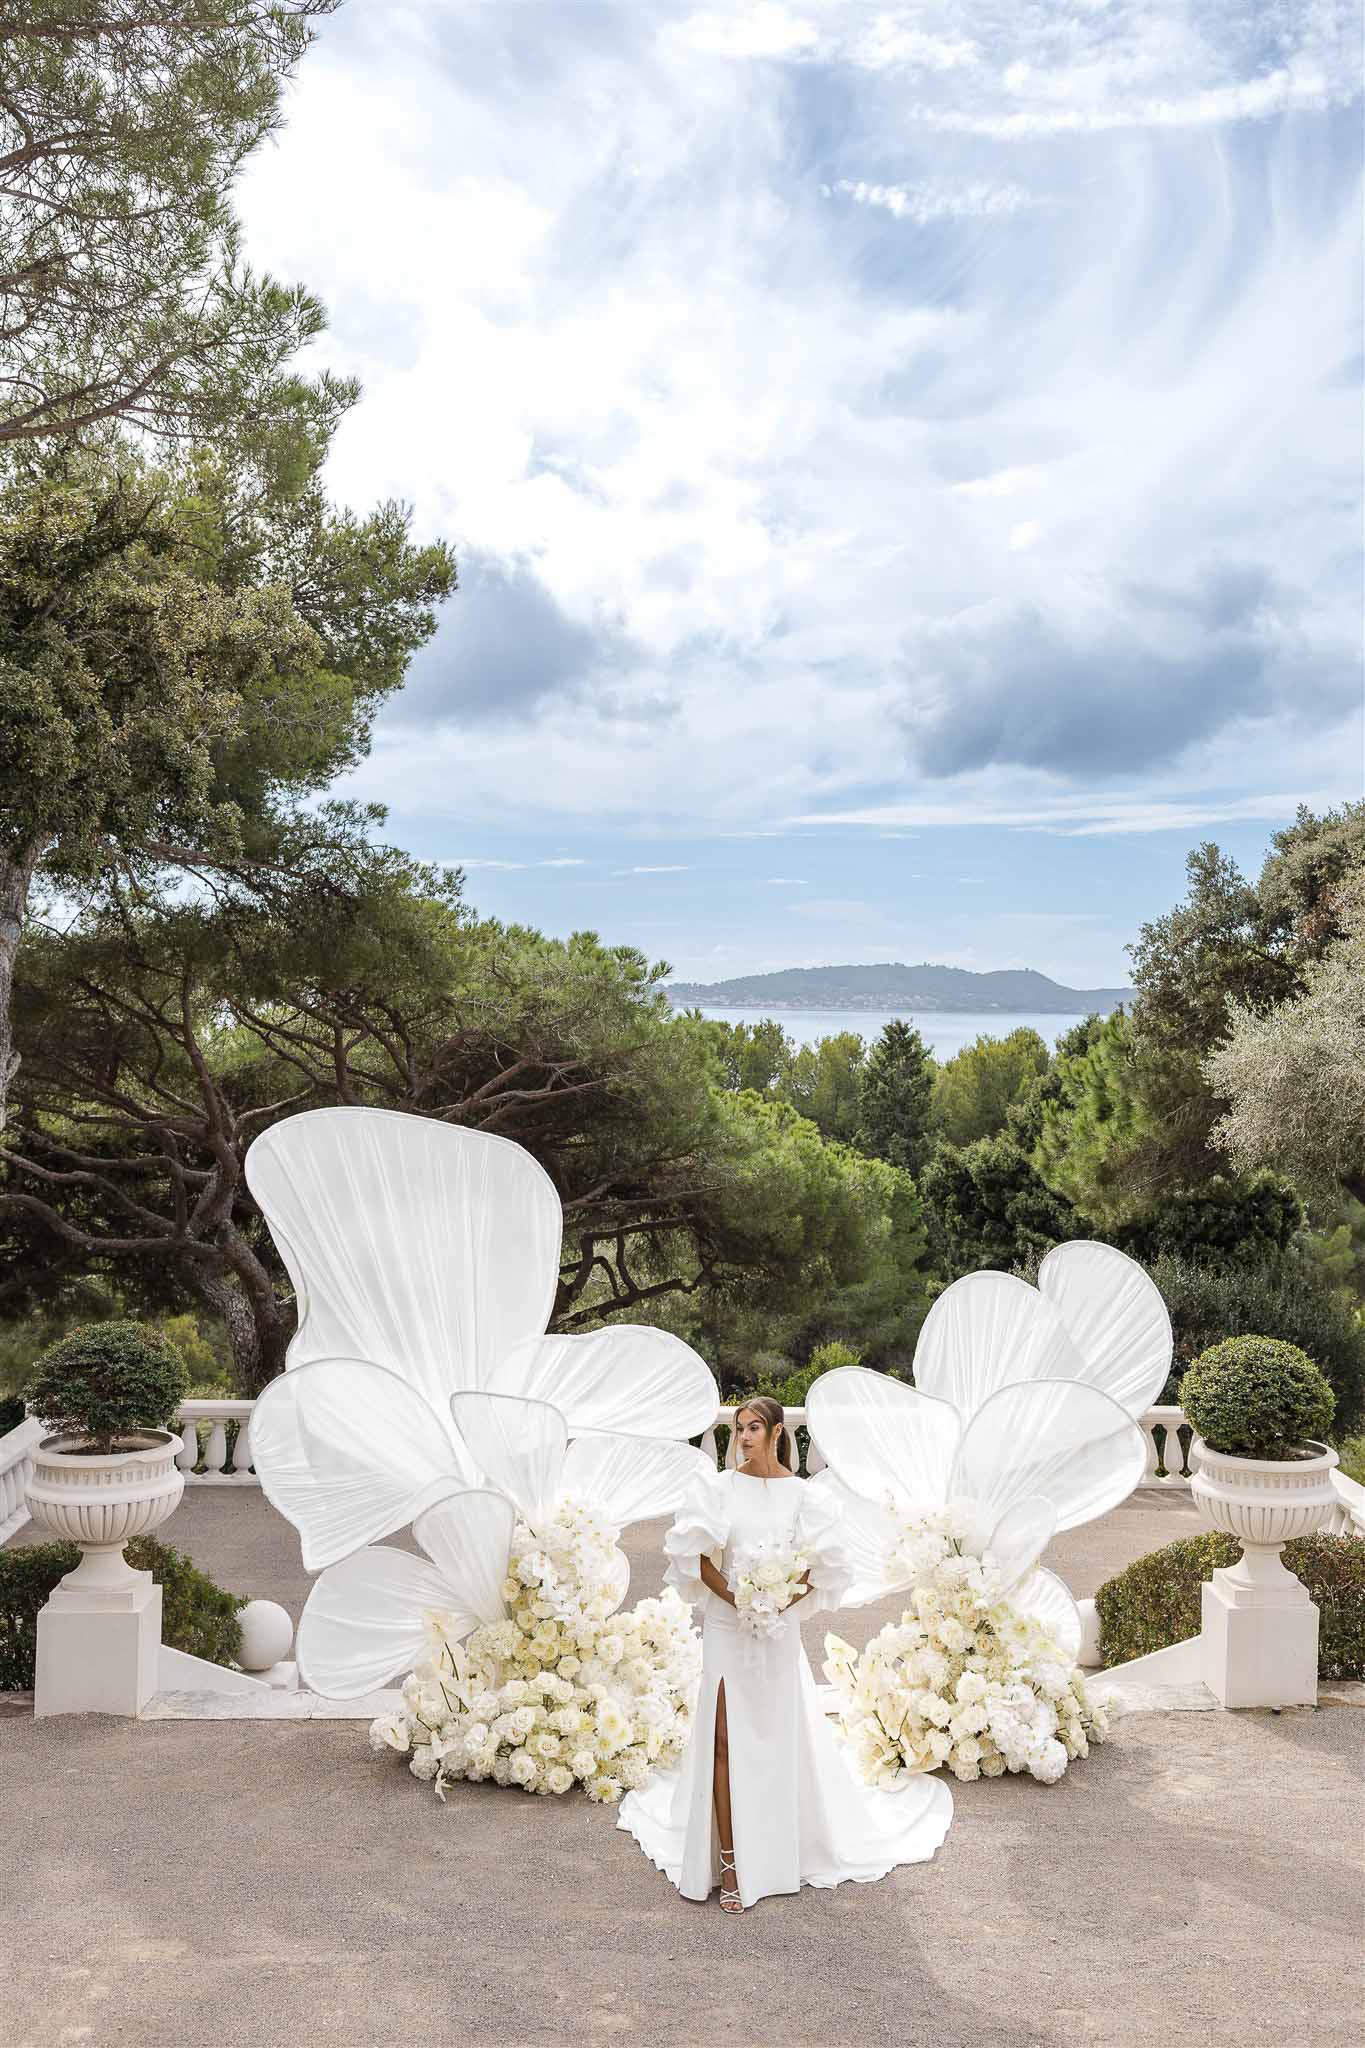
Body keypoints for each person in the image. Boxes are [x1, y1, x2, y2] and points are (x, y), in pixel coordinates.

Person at [617, 1395, 953, 1911]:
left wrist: (775, 1604)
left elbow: (818, 1568)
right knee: (724, 1739)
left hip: (777, 1631)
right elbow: (699, 1557)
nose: (744, 1438)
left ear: (778, 1434)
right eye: (737, 1429)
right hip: (729, 1627)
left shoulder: (804, 1497)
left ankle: (778, 1850)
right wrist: (740, 1600)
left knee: (775, 1742)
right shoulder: (718, 1488)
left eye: (754, 1428)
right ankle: (728, 1862)